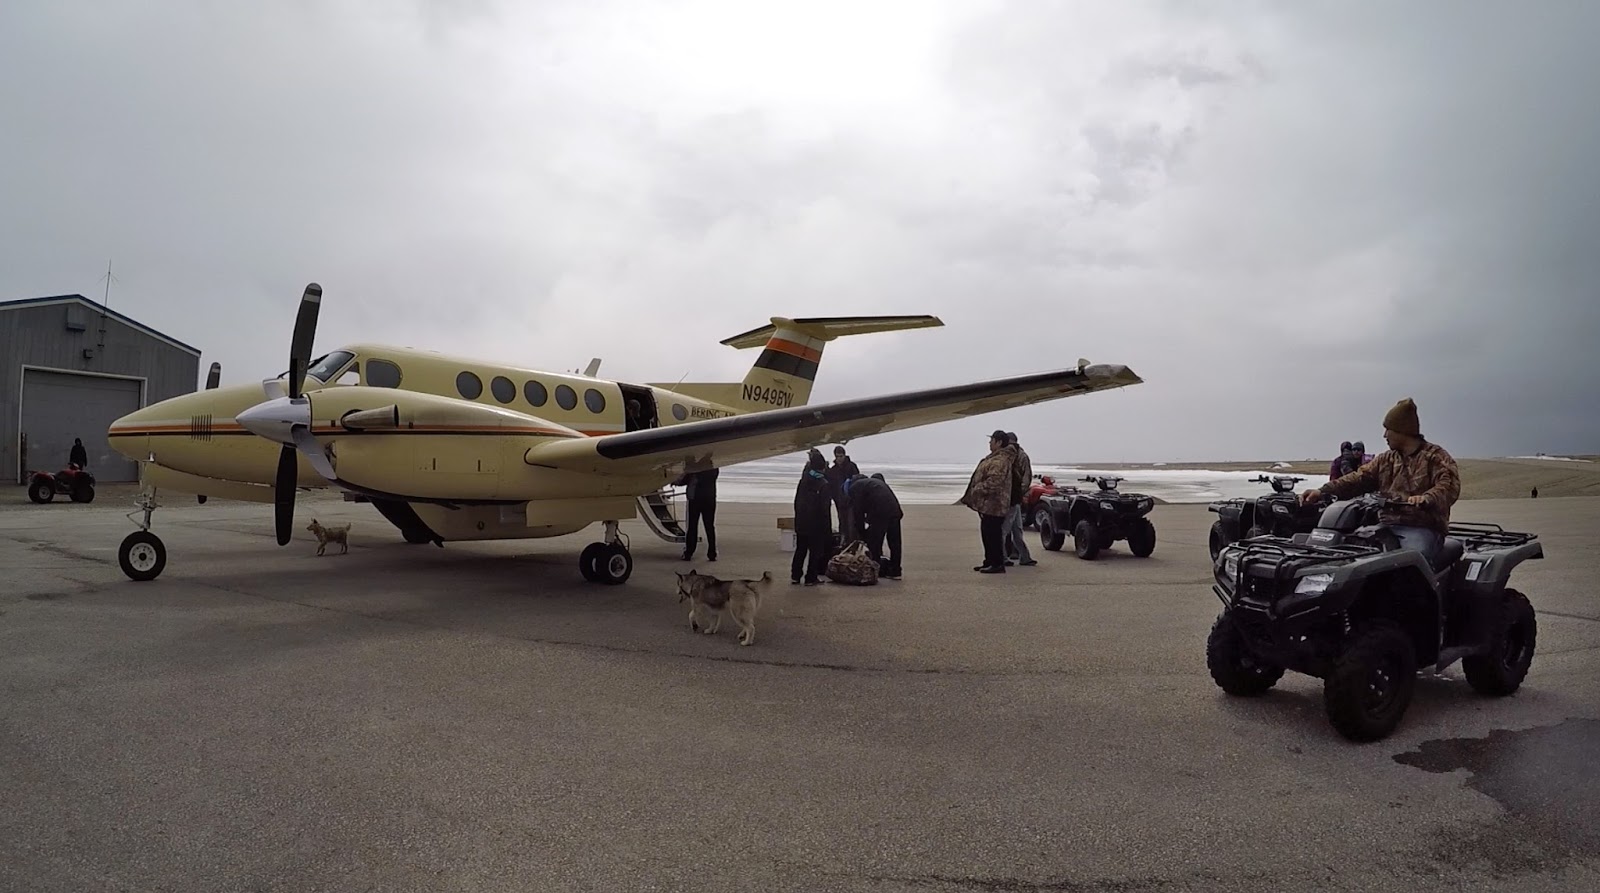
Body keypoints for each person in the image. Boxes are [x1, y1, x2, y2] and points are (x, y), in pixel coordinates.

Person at [1299, 398, 1460, 567]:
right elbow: (1357, 479)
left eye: (1388, 430)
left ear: (1401, 430)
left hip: (1423, 528)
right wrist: (1322, 491)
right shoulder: (1386, 459)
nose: (1384, 435)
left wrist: (1427, 498)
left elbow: (1448, 486)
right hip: (1386, 526)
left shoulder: (1435, 457)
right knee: (1351, 553)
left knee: (1410, 562)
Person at [960, 429, 1019, 573]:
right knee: (987, 534)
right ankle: (989, 561)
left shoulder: (1000, 460)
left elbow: (995, 481)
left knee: (993, 535)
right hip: (987, 504)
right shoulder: (995, 458)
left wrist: (977, 488)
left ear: (999, 442)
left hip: (995, 505)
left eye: (992, 441)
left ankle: (997, 564)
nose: (989, 443)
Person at [848, 471, 903, 579]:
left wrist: (862, 533)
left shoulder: (854, 487)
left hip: (880, 512)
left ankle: (875, 570)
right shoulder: (873, 483)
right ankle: (896, 570)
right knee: (895, 542)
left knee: (875, 543)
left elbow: (858, 513)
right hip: (895, 510)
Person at [792, 449, 835, 585]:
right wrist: (827, 529)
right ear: (823, 468)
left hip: (801, 521)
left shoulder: (803, 481)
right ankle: (811, 577)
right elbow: (825, 509)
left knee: (800, 549)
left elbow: (797, 502)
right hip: (816, 524)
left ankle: (795, 576)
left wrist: (798, 518)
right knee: (815, 552)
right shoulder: (823, 484)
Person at [1000, 432, 1037, 567]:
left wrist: (1017, 494)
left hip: (1012, 498)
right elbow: (1026, 478)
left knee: (1008, 529)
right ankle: (1023, 557)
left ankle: (1007, 557)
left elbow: (1026, 478)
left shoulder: (1017, 456)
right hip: (1013, 497)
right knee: (1015, 529)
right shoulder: (1014, 455)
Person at [677, 467, 719, 561]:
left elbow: (686, 479)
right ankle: (712, 553)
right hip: (710, 498)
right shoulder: (713, 468)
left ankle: (689, 552)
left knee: (692, 526)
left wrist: (675, 481)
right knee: (709, 526)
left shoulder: (694, 467)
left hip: (695, 498)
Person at [825, 446, 861, 541]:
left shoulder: (851, 467)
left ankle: (852, 541)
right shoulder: (833, 470)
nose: (839, 459)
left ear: (844, 455)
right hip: (839, 500)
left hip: (851, 500)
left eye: (841, 456)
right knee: (842, 521)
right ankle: (844, 540)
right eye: (837, 456)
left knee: (851, 522)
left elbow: (857, 481)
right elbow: (830, 484)